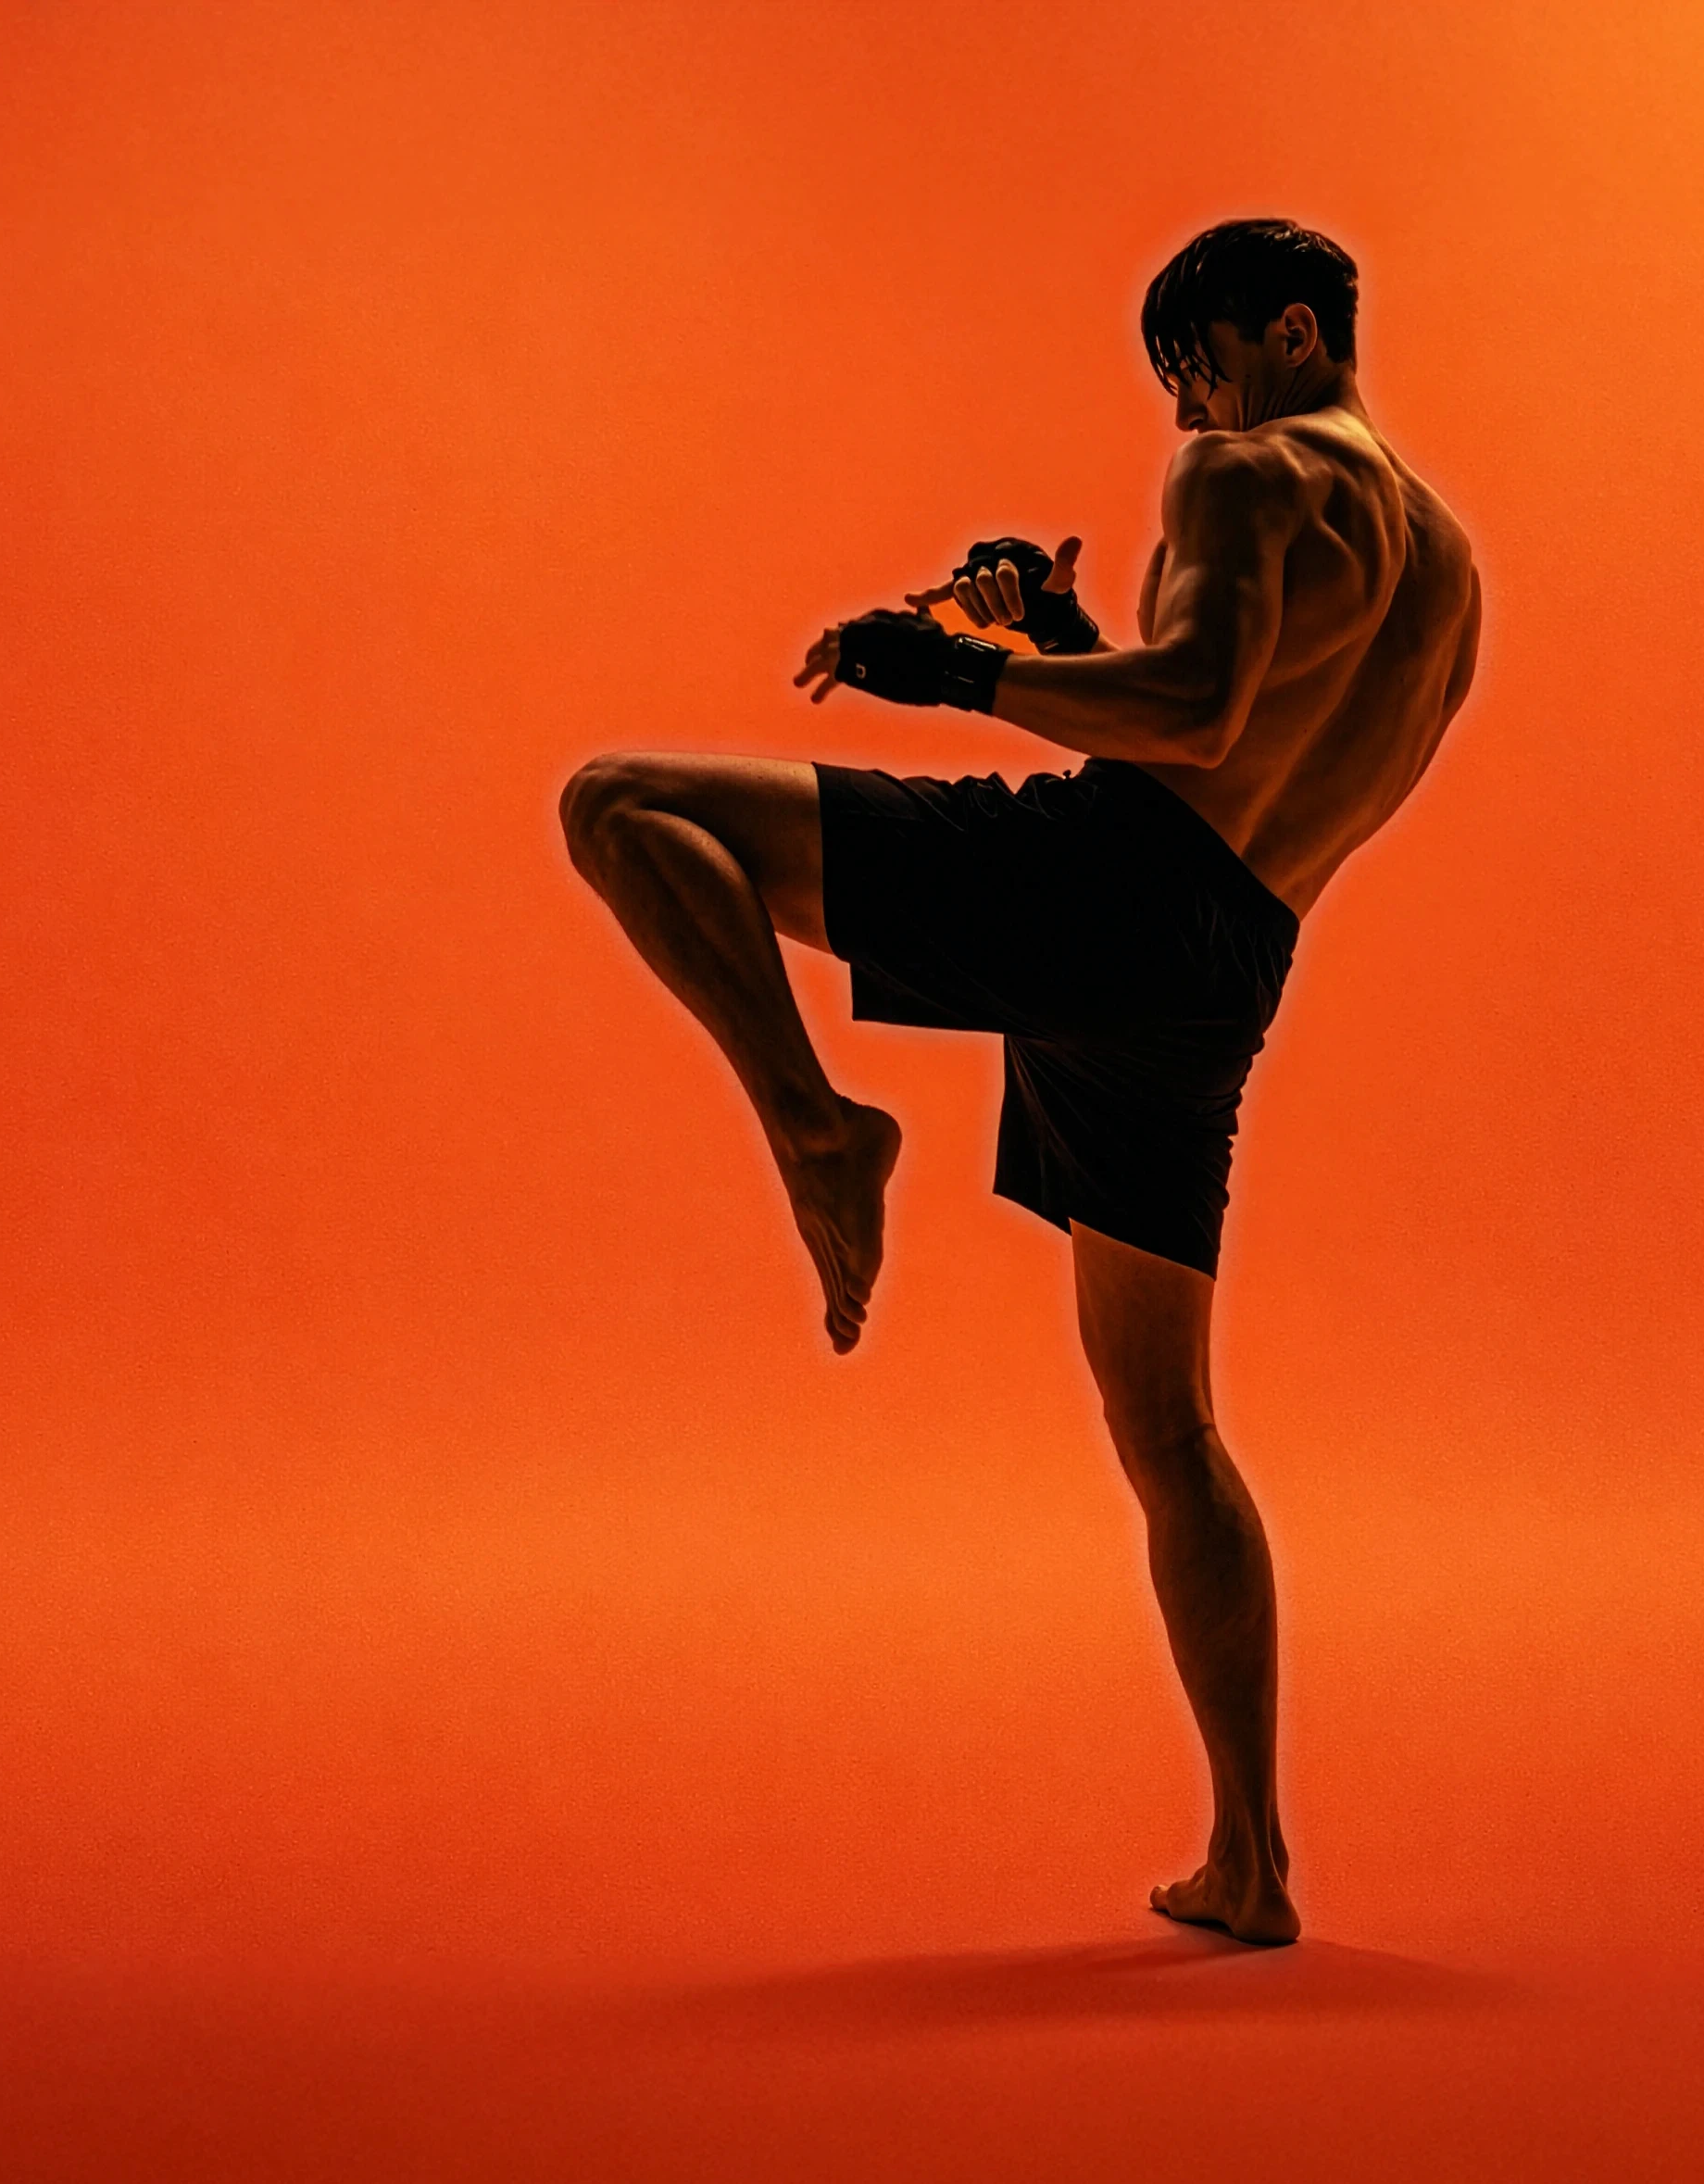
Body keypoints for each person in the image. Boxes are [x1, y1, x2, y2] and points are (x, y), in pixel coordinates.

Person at [561, 218, 1482, 1946]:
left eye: (1195, 365)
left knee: (619, 801)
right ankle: (1252, 1860)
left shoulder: (1251, 476)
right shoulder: (1447, 574)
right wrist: (1058, 624)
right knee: (1173, 1434)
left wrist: (959, 669)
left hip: (1107, 891)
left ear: (1290, 332)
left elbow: (1195, 712)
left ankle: (819, 1124)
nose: (1185, 410)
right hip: (1217, 973)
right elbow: (1231, 745)